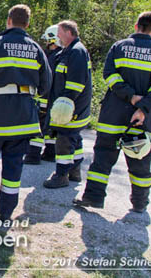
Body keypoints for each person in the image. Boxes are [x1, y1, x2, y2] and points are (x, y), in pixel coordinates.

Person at [74, 12, 151, 213]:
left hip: (113, 113)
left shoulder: (119, 47)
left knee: (102, 156)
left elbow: (109, 75)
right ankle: (140, 204)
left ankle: (93, 197)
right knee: (141, 160)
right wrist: (142, 107)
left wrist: (130, 96)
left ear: (136, 25)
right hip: (142, 118)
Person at [0, 5, 51, 219]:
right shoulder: (36, 48)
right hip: (24, 117)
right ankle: (5, 212)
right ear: (27, 24)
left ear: (8, 21)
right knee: (14, 167)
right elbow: (47, 84)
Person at [43, 20, 92, 188]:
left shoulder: (77, 52)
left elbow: (76, 82)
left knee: (64, 138)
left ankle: (61, 175)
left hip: (71, 107)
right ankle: (75, 172)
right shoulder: (68, 51)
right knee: (74, 138)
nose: (57, 37)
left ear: (68, 32)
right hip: (71, 105)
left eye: (59, 33)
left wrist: (65, 101)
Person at [24, 25, 62, 164]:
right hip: (56, 101)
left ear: (53, 40)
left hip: (45, 99)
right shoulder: (64, 55)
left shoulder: (52, 58)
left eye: (48, 40)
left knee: (38, 126)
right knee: (52, 126)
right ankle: (50, 153)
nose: (46, 44)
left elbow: (45, 79)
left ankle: (33, 155)